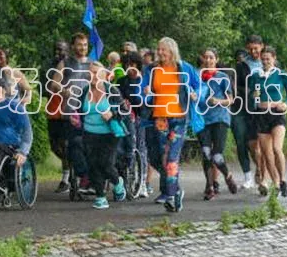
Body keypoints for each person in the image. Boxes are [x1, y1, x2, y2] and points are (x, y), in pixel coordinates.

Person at [141, 37, 202, 212]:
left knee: (172, 158)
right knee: (161, 157)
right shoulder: (152, 69)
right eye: (158, 49)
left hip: (179, 117)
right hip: (160, 117)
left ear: (172, 51)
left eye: (163, 50)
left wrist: (195, 94)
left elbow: (199, 86)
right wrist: (146, 93)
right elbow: (143, 89)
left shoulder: (184, 67)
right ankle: (175, 192)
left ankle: (171, 195)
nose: (160, 53)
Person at [80, 62, 127, 209]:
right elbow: (79, 111)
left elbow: (124, 110)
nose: (92, 76)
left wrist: (112, 114)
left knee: (106, 164)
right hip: (89, 133)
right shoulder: (84, 91)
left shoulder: (111, 90)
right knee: (93, 165)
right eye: (90, 73)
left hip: (109, 133)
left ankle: (118, 183)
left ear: (103, 75)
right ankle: (100, 197)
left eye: (95, 72)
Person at [50, 33, 92, 194]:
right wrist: (63, 90)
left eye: (85, 45)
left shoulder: (93, 63)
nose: (83, 48)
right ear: (73, 46)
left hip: (90, 112)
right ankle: (81, 176)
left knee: (89, 145)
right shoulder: (65, 63)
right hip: (71, 112)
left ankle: (90, 178)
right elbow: (54, 84)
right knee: (71, 145)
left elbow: (104, 83)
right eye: (80, 44)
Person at [248, 46, 287, 197]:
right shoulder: (256, 76)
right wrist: (258, 102)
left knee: (277, 148)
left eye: (268, 59)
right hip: (262, 115)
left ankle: (283, 179)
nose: (265, 61)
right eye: (263, 59)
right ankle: (276, 182)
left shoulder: (281, 75)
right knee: (266, 153)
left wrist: (285, 103)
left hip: (277, 114)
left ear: (274, 59)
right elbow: (255, 95)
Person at [196, 48, 237, 200]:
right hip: (202, 119)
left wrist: (218, 101)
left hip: (220, 118)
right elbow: (192, 93)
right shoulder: (197, 77)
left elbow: (231, 99)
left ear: (216, 60)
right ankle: (210, 186)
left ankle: (228, 175)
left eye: (211, 57)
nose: (208, 60)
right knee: (206, 153)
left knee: (217, 155)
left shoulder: (222, 77)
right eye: (205, 57)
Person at [232, 35, 264, 190]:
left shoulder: (268, 63)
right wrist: (247, 91)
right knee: (240, 141)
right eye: (250, 49)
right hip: (241, 107)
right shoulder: (241, 66)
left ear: (261, 46)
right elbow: (235, 86)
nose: (253, 51)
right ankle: (247, 176)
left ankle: (260, 170)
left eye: (255, 48)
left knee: (255, 145)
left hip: (260, 109)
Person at [116, 51, 148, 197]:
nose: (130, 67)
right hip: (126, 116)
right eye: (127, 65)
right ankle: (124, 178)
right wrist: (123, 102)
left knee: (141, 147)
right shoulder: (122, 81)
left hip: (142, 116)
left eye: (132, 64)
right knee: (124, 147)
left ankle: (142, 184)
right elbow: (118, 97)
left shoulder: (144, 80)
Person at [43, 41, 71, 192]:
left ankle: (66, 178)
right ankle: (73, 165)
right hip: (53, 108)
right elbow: (46, 86)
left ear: (67, 50)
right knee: (54, 146)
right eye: (55, 49)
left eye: (60, 50)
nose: (57, 52)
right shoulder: (50, 66)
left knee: (66, 144)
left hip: (67, 109)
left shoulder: (70, 66)